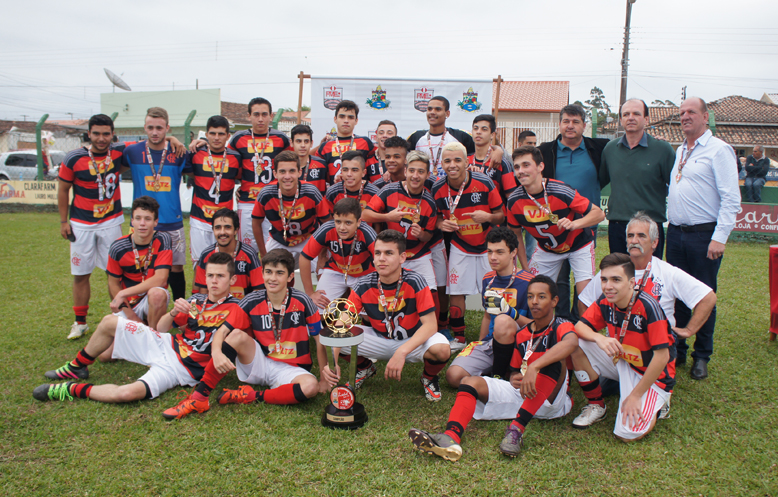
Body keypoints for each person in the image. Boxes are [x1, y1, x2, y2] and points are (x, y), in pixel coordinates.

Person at [33, 252, 241, 405]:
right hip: (166, 344)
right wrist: (173, 313)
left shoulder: (238, 308)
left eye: (220, 276)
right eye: (210, 275)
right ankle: (78, 366)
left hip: (180, 370)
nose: (214, 281)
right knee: (108, 322)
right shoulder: (196, 301)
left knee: (125, 395)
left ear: (232, 279)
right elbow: (161, 328)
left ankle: (72, 389)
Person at [408, 275, 578, 460]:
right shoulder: (523, 334)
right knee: (469, 382)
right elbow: (513, 371)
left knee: (554, 358)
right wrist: (514, 377)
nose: (534, 302)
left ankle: (515, 431)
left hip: (552, 401)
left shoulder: (561, 325)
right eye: (530, 297)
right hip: (525, 396)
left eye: (541, 297)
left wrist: (535, 366)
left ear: (554, 301)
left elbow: (571, 343)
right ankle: (451, 437)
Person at [161, 249, 328, 419]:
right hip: (260, 361)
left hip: (292, 368)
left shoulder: (303, 301)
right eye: (269, 272)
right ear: (262, 274)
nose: (273, 278)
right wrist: (217, 352)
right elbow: (223, 331)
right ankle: (199, 398)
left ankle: (249, 396)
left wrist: (323, 377)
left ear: (290, 277)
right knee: (236, 335)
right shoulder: (251, 300)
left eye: (280, 273)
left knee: (310, 387)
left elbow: (319, 340)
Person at [579, 212, 716, 405]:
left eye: (641, 236)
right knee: (575, 338)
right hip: (618, 349)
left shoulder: (668, 272)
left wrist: (689, 330)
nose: (635, 240)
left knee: (631, 429)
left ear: (654, 242)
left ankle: (650, 392)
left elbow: (708, 297)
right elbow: (585, 300)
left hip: (652, 352)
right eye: (630, 236)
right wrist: (597, 333)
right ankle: (606, 388)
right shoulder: (613, 271)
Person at [323, 230, 451, 401]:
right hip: (379, 337)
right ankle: (365, 367)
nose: (381, 258)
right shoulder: (363, 284)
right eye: (378, 253)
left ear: (402, 257)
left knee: (441, 349)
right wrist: (333, 362)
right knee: (332, 337)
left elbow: (430, 325)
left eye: (389, 253)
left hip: (410, 340)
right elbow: (341, 324)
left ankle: (428, 377)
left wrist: (402, 352)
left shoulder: (415, 281)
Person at [666, 97, 740, 380]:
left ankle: (702, 356)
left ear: (705, 117)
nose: (685, 117)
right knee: (676, 295)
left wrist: (719, 237)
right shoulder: (680, 150)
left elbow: (731, 199)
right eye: (682, 113)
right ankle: (679, 348)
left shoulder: (719, 150)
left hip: (704, 235)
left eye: (691, 112)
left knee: (703, 295)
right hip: (676, 233)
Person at [569, 253, 675, 442]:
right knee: (574, 342)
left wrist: (635, 395)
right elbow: (579, 326)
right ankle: (596, 405)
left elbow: (662, 357)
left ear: (631, 282)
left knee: (627, 433)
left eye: (616, 280)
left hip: (651, 373)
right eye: (604, 279)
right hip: (624, 359)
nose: (608, 286)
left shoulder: (649, 307)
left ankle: (660, 404)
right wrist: (598, 338)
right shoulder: (606, 300)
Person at [506, 146, 605, 316]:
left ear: (540, 167)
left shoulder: (560, 190)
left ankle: (585, 340)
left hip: (578, 245)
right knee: (536, 296)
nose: (521, 171)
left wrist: (575, 224)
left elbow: (599, 213)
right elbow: (515, 236)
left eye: (526, 165)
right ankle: (545, 336)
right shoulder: (514, 200)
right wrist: (525, 266)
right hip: (547, 250)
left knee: (585, 299)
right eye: (517, 167)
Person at [537, 104, 609, 321]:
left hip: (586, 225)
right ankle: (560, 322)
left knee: (583, 280)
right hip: (556, 227)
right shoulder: (545, 150)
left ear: (584, 126)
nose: (570, 126)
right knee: (558, 280)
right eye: (566, 121)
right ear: (559, 124)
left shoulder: (599, 148)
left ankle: (581, 323)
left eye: (576, 121)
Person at [58, 114, 126, 340]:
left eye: (106, 133)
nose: (101, 138)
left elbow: (149, 143)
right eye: (96, 133)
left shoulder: (118, 152)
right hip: (81, 224)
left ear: (112, 134)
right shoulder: (73, 158)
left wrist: (175, 141)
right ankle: (80, 323)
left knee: (115, 273)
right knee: (80, 274)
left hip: (111, 222)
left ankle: (120, 321)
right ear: (89, 134)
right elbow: (63, 189)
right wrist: (63, 221)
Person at [432, 142, 504, 349]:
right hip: (460, 245)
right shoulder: (437, 188)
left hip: (486, 246)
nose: (452, 165)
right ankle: (459, 338)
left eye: (457, 160)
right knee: (456, 290)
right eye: (447, 161)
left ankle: (495, 333)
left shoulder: (484, 182)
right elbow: (435, 218)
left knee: (495, 290)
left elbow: (501, 214)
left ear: (466, 162)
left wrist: (488, 216)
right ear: (441, 164)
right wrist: (440, 223)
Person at [445, 227, 533, 389]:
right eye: (489, 252)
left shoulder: (530, 283)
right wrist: (480, 341)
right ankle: (498, 376)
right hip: (492, 343)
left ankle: (498, 377)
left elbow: (539, 327)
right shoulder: (488, 279)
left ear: (513, 253)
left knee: (503, 321)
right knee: (454, 376)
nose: (493, 257)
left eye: (500, 252)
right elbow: (487, 316)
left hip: (521, 346)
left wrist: (510, 313)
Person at [123, 107, 190, 301]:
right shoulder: (132, 151)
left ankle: (179, 313)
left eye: (159, 128)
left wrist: (174, 141)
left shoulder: (179, 153)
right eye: (150, 127)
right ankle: (140, 309)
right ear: (144, 127)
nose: (154, 132)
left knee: (176, 267)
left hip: (172, 221)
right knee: (140, 266)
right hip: (142, 222)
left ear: (167, 128)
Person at [600, 99, 676, 258]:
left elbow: (677, 186)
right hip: (618, 226)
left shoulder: (662, 149)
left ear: (646, 119)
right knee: (620, 276)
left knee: (648, 276)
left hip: (649, 227)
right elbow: (600, 181)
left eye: (636, 113)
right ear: (621, 119)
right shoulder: (610, 149)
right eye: (626, 114)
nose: (631, 118)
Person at [363, 150, 439, 306]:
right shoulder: (389, 190)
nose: (415, 176)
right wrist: (387, 217)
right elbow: (365, 214)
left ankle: (435, 328)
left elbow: (429, 236)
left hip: (418, 253)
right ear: (405, 171)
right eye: (411, 170)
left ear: (427, 175)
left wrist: (421, 234)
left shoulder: (430, 202)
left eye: (420, 171)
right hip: (392, 252)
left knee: (431, 292)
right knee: (381, 291)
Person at [225, 98, 291, 250]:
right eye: (256, 114)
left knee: (274, 248)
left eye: (264, 114)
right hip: (248, 201)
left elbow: (294, 164)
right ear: (248, 116)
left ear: (271, 116)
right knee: (247, 249)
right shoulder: (238, 138)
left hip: (273, 201)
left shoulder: (281, 139)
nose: (260, 119)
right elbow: (225, 159)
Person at [251, 150, 331, 265]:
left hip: (308, 236)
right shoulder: (266, 193)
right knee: (268, 268)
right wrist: (263, 254)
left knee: (322, 270)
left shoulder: (311, 191)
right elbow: (256, 223)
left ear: (299, 172)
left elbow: (327, 223)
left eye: (292, 171)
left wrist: (322, 254)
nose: (287, 176)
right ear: (275, 174)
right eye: (282, 171)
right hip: (279, 238)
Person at [106, 196, 171, 330]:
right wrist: (130, 315)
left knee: (157, 294)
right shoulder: (118, 247)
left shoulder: (163, 239)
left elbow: (161, 278)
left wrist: (123, 293)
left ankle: (153, 337)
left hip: (149, 299)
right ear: (132, 221)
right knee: (106, 351)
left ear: (155, 222)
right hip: (128, 304)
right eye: (138, 218)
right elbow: (113, 283)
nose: (142, 223)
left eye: (147, 219)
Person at [300, 198, 377, 310]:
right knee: (316, 308)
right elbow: (304, 258)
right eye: (338, 221)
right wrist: (310, 293)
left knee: (370, 313)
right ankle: (325, 326)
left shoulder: (367, 232)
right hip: (336, 271)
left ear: (359, 222)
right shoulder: (327, 229)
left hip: (364, 275)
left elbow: (382, 261)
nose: (342, 227)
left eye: (348, 223)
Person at [187, 116, 242, 265]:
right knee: (199, 265)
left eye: (221, 134)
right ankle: (199, 290)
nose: (216, 138)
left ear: (228, 136)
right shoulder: (195, 153)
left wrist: (241, 189)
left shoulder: (236, 157)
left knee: (226, 264)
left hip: (224, 221)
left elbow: (245, 179)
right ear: (206, 134)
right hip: (200, 219)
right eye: (212, 133)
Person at [194, 208, 263, 300]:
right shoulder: (206, 255)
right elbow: (203, 291)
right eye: (218, 228)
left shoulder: (249, 254)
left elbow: (258, 289)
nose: (222, 232)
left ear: (236, 230)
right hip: (215, 308)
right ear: (213, 230)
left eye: (227, 227)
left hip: (242, 308)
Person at [407, 96, 477, 177]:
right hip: (423, 186)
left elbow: (483, 152)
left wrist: (495, 150)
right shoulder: (416, 137)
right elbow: (401, 156)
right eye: (429, 109)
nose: (432, 112)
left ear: (447, 114)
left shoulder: (460, 136)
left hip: (451, 186)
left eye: (438, 109)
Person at [315, 100, 374, 183]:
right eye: (342, 116)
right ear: (335, 119)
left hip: (359, 193)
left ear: (356, 121)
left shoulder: (365, 142)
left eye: (350, 117)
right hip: (335, 193)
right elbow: (309, 162)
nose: (346, 120)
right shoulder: (325, 146)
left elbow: (379, 158)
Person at [468, 114, 517, 204]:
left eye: (484, 129)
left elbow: (511, 195)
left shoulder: (501, 162)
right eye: (476, 128)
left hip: (495, 214)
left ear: (492, 135)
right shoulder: (465, 160)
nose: (478, 132)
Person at [517, 130, 538, 261]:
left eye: (535, 143)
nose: (532, 146)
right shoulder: (510, 159)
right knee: (512, 247)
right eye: (529, 143)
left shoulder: (537, 162)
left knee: (532, 250)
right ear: (520, 144)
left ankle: (531, 277)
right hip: (516, 210)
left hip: (533, 210)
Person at [291, 124, 328, 197]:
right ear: (291, 143)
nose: (303, 145)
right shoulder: (287, 167)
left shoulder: (322, 165)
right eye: (298, 141)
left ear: (311, 143)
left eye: (306, 141)